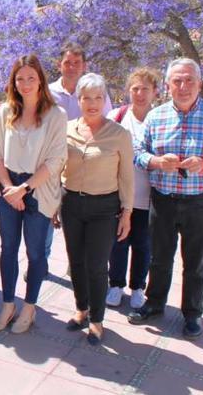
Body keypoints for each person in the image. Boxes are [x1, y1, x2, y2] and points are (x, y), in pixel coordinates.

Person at [128, 58, 203, 339]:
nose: (183, 86)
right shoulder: (155, 117)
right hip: (163, 199)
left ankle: (192, 314)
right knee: (159, 258)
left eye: (189, 80)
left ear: (200, 84)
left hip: (200, 202)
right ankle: (154, 304)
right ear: (167, 85)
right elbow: (138, 152)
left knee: (195, 263)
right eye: (177, 81)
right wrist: (155, 161)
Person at [0, 55, 67, 333]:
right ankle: (8, 304)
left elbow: (57, 159)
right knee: (8, 249)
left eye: (30, 78)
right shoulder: (4, 112)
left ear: (40, 80)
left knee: (35, 253)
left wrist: (25, 189)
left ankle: (29, 307)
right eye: (19, 78)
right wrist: (10, 187)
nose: (25, 83)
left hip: (38, 190)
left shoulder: (55, 115)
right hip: (7, 188)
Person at [61, 73, 134, 345]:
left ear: (105, 100)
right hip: (71, 204)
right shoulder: (66, 129)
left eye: (98, 98)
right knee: (76, 262)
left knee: (96, 265)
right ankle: (82, 310)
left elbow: (127, 176)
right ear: (78, 100)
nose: (92, 103)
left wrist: (126, 212)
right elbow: (57, 167)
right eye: (86, 98)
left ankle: (97, 320)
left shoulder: (119, 134)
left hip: (104, 206)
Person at [46, 43, 113, 264]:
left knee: (74, 221)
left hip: (82, 166)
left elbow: (107, 125)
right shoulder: (48, 92)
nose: (72, 67)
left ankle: (74, 265)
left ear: (84, 65)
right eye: (67, 62)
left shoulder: (96, 93)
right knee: (46, 212)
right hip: (50, 163)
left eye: (77, 63)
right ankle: (41, 261)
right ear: (59, 65)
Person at [105, 67, 162, 309]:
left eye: (145, 89)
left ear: (155, 92)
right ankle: (115, 285)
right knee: (118, 243)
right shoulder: (117, 117)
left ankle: (138, 287)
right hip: (120, 196)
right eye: (135, 88)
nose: (139, 94)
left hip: (149, 196)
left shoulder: (160, 118)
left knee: (143, 245)